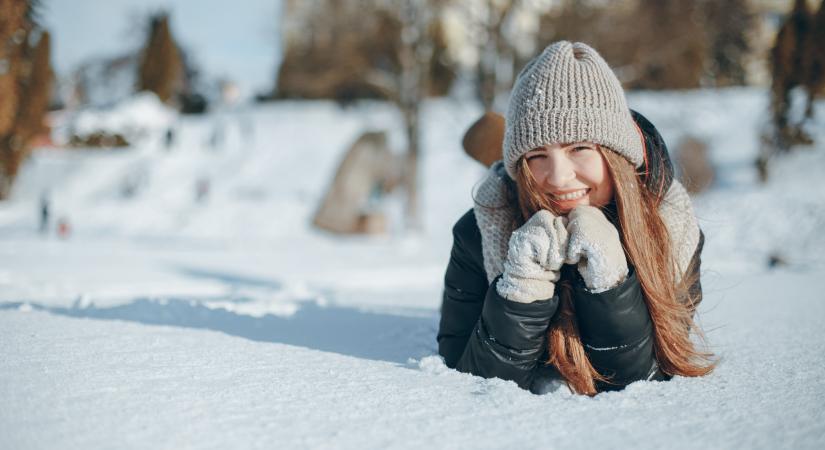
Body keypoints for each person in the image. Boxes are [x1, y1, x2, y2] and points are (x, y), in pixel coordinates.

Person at [437, 41, 715, 396]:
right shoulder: (480, 230)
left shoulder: (671, 229)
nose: (557, 177)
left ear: (615, 154)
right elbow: (465, 380)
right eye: (537, 154)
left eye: (580, 148)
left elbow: (645, 384)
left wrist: (611, 285)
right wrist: (519, 292)